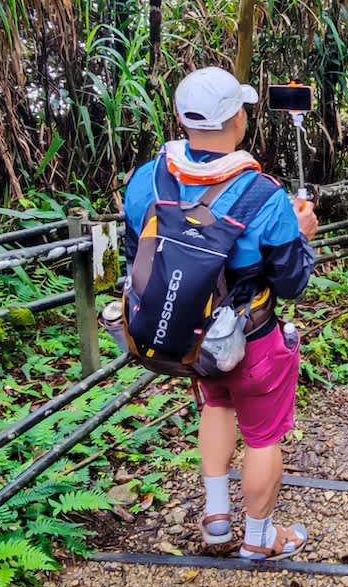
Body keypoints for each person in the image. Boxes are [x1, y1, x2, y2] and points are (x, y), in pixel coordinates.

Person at [121, 68, 320, 560]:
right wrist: (302, 235)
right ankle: (260, 538)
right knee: (262, 436)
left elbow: (135, 255)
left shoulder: (146, 179)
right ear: (237, 118)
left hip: (190, 337)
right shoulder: (262, 195)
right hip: (251, 339)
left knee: (216, 404)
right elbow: (290, 283)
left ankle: (215, 517)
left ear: (181, 117)